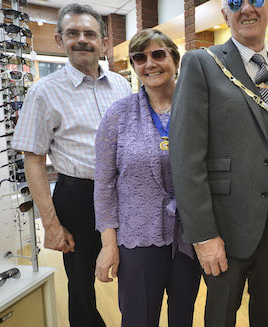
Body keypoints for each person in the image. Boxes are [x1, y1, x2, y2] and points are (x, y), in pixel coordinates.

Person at [169, 0, 268, 327]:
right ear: (226, 13)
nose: (248, 7)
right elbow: (185, 157)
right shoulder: (201, 64)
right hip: (224, 231)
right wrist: (203, 235)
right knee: (220, 318)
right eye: (236, 1)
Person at [11, 3, 131, 327]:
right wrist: (50, 224)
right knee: (80, 285)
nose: (82, 40)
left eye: (90, 33)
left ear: (103, 42)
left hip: (124, 193)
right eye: (73, 33)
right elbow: (33, 159)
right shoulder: (43, 92)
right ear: (60, 39)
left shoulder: (122, 86)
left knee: (133, 273)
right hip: (78, 198)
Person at [93, 29, 201, 327]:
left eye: (158, 54)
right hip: (138, 238)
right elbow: (103, 184)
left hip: (189, 237)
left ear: (175, 60)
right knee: (139, 318)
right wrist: (108, 244)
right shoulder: (118, 115)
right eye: (140, 58)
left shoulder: (198, 108)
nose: (150, 63)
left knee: (183, 316)